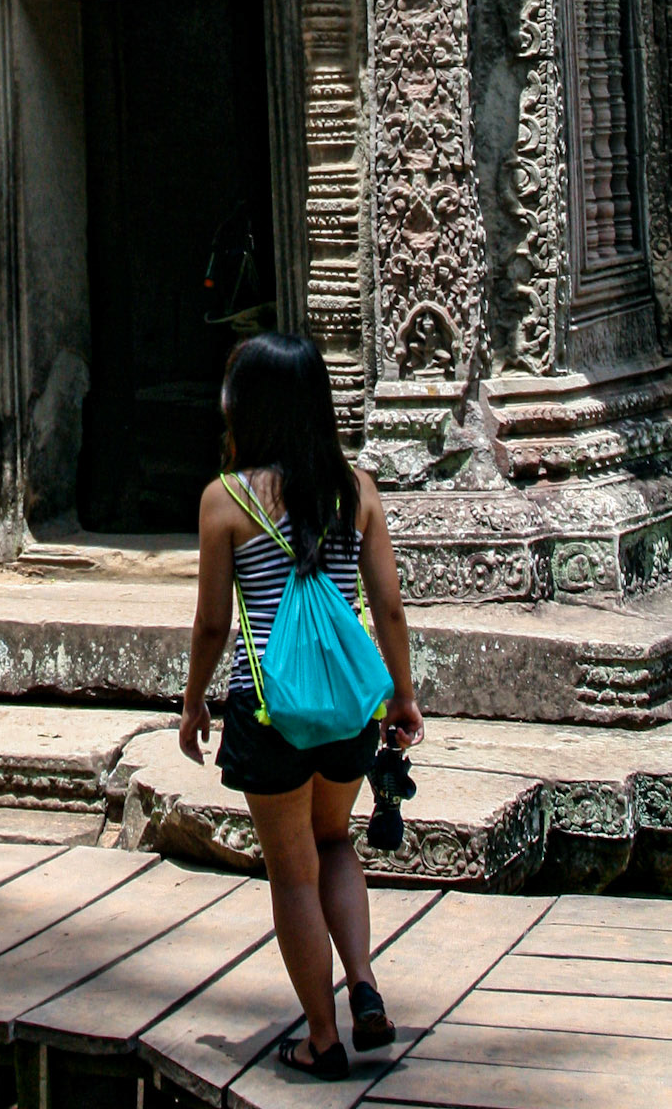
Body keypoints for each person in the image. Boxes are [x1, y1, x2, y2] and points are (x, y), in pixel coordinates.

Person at [179, 332, 424, 1080]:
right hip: (349, 708)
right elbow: (388, 608)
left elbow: (215, 623)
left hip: (269, 711)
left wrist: (192, 704)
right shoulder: (357, 488)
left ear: (247, 407)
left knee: (292, 872)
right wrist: (403, 697)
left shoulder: (226, 500)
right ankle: (365, 987)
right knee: (336, 844)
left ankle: (323, 1039)